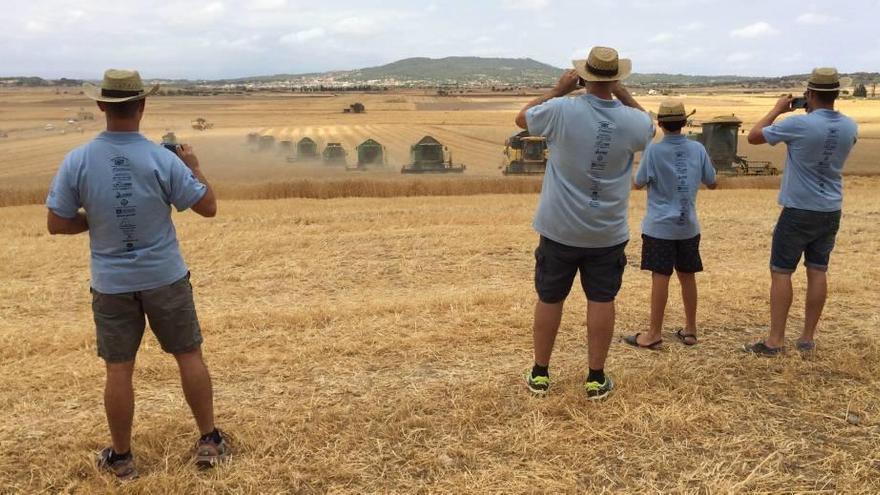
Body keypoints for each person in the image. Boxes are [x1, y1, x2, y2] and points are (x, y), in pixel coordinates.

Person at [46, 69, 227, 480]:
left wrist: (93, 222)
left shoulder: (77, 160)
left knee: (119, 369)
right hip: (165, 277)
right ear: (143, 106)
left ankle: (123, 459)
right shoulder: (162, 158)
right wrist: (195, 166)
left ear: (101, 107)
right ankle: (210, 440)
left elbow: (56, 222)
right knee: (189, 356)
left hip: (111, 283)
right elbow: (208, 207)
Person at [515, 46, 654, 400]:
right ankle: (595, 378)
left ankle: (540, 373)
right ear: (616, 78)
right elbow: (649, 128)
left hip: (558, 227)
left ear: (584, 76)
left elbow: (522, 119)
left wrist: (559, 89)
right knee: (601, 300)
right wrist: (624, 94)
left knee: (549, 298)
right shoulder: (632, 120)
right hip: (606, 231)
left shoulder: (562, 109)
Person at [742, 67, 858, 356]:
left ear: (810, 94)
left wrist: (777, 109)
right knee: (818, 270)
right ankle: (807, 338)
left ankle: (775, 340)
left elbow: (754, 137)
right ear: (836, 93)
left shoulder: (798, 125)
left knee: (781, 272)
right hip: (831, 208)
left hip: (798, 208)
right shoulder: (850, 126)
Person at [624, 101, 717, 350]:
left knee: (660, 277)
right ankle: (691, 329)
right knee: (688, 277)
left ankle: (654, 332)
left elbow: (638, 182)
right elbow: (712, 181)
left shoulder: (653, 151)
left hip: (659, 228)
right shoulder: (697, 149)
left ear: (661, 124)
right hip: (688, 226)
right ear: (685, 122)